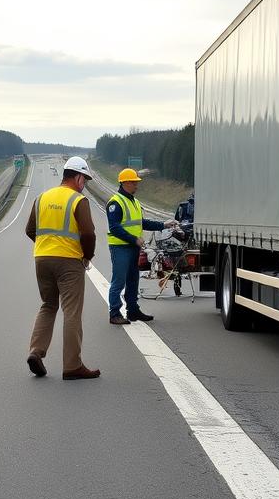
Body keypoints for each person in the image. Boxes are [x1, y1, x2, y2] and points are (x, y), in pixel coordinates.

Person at [25, 155, 100, 379]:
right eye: (84, 180)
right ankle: (72, 366)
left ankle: (36, 352)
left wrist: (46, 246)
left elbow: (30, 230)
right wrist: (87, 256)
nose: (84, 185)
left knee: (48, 305)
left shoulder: (41, 198)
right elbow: (88, 233)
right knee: (72, 311)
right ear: (77, 178)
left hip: (42, 259)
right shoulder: (78, 200)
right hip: (69, 262)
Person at [107, 168, 175, 325]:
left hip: (132, 248)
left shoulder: (134, 202)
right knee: (119, 281)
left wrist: (164, 225)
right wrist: (134, 239)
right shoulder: (115, 203)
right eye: (134, 182)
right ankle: (115, 313)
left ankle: (133, 310)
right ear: (125, 183)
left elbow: (142, 223)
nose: (137, 185)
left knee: (133, 279)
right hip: (120, 247)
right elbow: (114, 228)